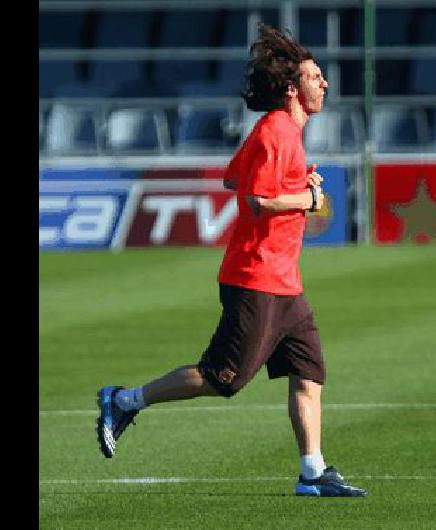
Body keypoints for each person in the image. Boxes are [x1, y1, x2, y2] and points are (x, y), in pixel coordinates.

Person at [95, 24, 367, 498]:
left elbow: (230, 179)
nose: (324, 83)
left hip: (285, 281)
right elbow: (255, 200)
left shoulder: (282, 135)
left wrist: (298, 184)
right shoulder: (276, 132)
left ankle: (312, 473)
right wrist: (304, 196)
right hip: (255, 277)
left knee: (309, 372)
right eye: (315, 76)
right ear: (291, 88)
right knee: (222, 378)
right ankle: (124, 400)